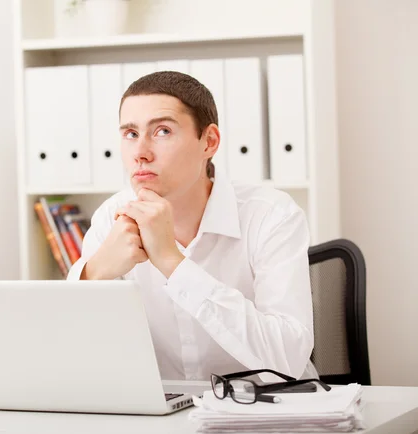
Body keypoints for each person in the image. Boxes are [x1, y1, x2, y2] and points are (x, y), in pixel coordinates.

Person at [66, 70, 317, 381]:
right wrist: (94, 272)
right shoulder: (112, 218)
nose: (141, 153)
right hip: (162, 416)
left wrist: (173, 263)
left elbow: (288, 359)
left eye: (162, 131)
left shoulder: (271, 215)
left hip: (267, 411)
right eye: (130, 134)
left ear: (209, 141)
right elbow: (73, 355)